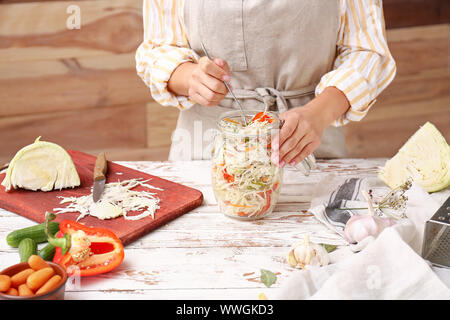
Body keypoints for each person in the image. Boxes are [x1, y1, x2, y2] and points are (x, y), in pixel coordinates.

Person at [136, 0, 396, 166]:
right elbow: (157, 48)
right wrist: (190, 77)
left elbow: (367, 51)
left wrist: (319, 114)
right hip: (205, 150)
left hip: (311, 147)